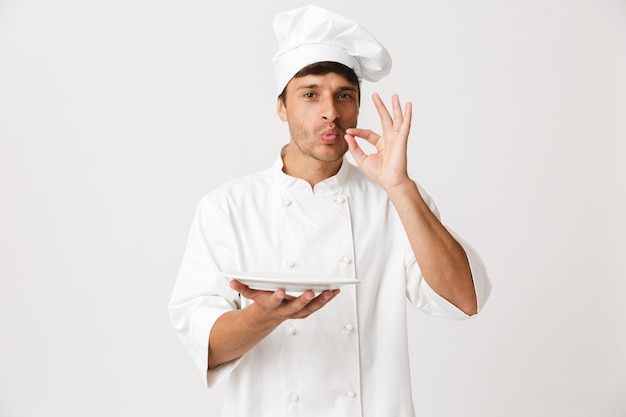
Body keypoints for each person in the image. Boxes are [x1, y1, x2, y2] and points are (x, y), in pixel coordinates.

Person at [169, 5, 491, 417]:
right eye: (310, 94)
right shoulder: (227, 208)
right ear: (281, 107)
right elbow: (206, 347)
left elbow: (465, 299)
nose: (331, 111)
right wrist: (263, 315)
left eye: (344, 95)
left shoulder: (394, 200)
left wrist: (400, 186)